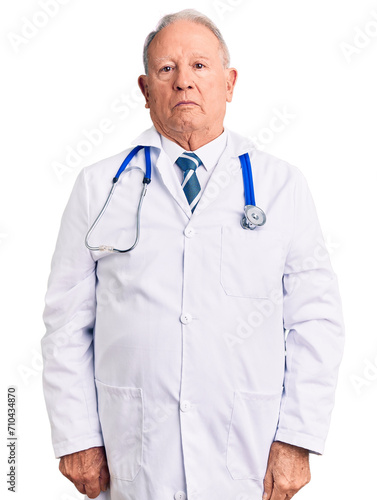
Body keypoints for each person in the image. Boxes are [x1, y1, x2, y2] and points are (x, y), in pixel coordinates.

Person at [41, 9, 345, 500]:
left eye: (200, 66)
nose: (184, 82)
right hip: (135, 455)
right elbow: (66, 321)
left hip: (248, 454)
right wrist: (76, 437)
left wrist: (297, 438)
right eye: (166, 69)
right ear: (144, 89)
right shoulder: (99, 186)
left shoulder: (281, 185)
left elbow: (316, 319)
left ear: (230, 82)